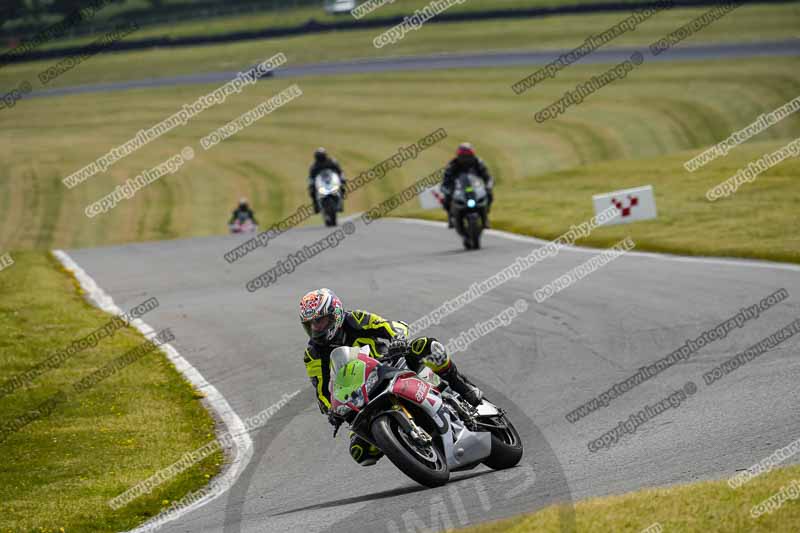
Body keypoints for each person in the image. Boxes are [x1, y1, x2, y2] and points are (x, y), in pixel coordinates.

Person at [299, 288, 483, 467]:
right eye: (311, 324)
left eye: (320, 321)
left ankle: (462, 387)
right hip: (360, 393)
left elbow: (391, 326)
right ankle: (407, 444)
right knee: (360, 452)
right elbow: (323, 389)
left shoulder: (355, 319)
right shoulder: (313, 354)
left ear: (336, 314)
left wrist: (398, 338)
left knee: (427, 346)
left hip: (390, 365)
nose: (316, 328)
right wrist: (331, 409)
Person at [441, 142, 494, 228]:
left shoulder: (478, 162)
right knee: (446, 198)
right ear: (458, 155)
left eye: (468, 155)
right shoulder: (452, 165)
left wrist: (488, 186)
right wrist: (447, 189)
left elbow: (487, 177)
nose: (466, 158)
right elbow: (446, 180)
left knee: (489, 195)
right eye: (463, 155)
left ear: (472, 155)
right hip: (458, 188)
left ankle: (485, 217)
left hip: (475, 187)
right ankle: (451, 217)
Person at [308, 147, 346, 213]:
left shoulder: (331, 161)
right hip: (320, 182)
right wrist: (311, 184)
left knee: (342, 187)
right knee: (312, 191)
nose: (320, 157)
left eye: (321, 156)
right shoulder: (314, 166)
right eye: (319, 156)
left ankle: (341, 202)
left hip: (331, 180)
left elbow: (339, 171)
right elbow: (311, 177)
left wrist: (342, 178)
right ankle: (316, 206)